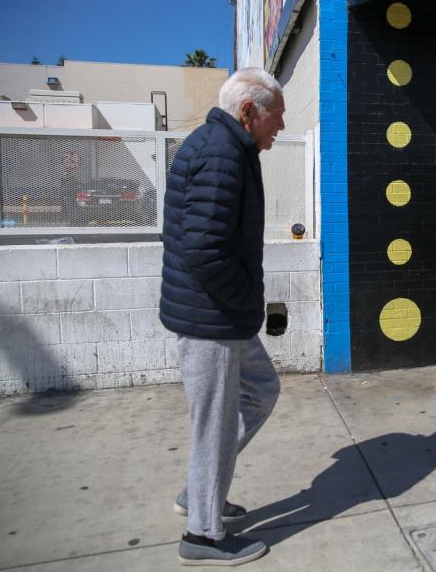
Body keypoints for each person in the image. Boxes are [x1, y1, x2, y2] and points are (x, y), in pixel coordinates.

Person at [160, 67, 285, 566]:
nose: (279, 127)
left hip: (219, 315)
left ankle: (200, 491)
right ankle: (203, 535)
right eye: (276, 117)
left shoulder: (230, 147)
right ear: (249, 111)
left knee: (261, 391)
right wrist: (247, 303)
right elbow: (205, 251)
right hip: (212, 318)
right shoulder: (219, 152)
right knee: (213, 425)